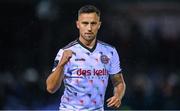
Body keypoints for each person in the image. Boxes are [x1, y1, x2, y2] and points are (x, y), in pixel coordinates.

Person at [46, 5, 126, 111]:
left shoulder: (110, 52)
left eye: (93, 23)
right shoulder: (65, 52)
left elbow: (118, 82)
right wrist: (61, 64)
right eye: (85, 23)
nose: (89, 28)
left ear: (99, 25)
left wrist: (118, 96)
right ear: (78, 24)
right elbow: (51, 88)